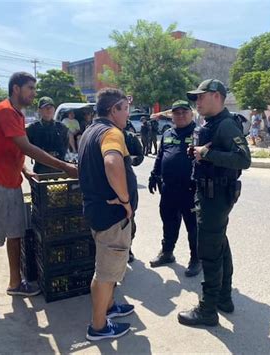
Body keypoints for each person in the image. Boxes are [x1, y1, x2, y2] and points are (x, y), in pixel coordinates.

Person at [0, 72, 78, 309]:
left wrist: (25, 170)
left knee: (15, 234)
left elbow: (15, 149)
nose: (33, 93)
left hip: (11, 181)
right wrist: (64, 166)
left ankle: (15, 283)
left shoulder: (18, 114)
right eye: (30, 88)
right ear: (16, 88)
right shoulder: (5, 110)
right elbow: (25, 146)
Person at [178, 79, 251, 327]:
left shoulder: (227, 125)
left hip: (215, 196)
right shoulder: (211, 124)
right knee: (220, 244)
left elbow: (244, 159)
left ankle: (207, 309)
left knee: (209, 251)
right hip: (210, 194)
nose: (196, 102)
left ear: (217, 96)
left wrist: (207, 153)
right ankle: (223, 297)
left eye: (201, 96)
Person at [78, 88, 137, 341]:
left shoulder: (90, 131)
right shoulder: (112, 133)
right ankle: (98, 326)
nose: (128, 115)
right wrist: (125, 200)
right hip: (112, 215)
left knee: (108, 268)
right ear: (114, 110)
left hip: (96, 210)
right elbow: (112, 163)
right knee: (105, 273)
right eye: (125, 109)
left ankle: (110, 307)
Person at [148, 100, 201, 277]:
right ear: (172, 115)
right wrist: (154, 174)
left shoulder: (199, 133)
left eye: (184, 112)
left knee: (193, 226)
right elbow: (161, 154)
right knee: (168, 221)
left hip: (190, 189)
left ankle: (196, 259)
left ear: (191, 113)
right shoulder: (168, 133)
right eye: (176, 113)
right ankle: (167, 252)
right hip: (169, 188)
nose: (180, 115)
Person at [26, 96, 69, 174]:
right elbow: (27, 148)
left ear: (54, 109)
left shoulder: (62, 128)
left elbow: (65, 147)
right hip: (41, 169)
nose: (48, 109)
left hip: (59, 169)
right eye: (45, 107)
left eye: (50, 107)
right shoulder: (32, 129)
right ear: (39, 110)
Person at [123, 129, 144, 263]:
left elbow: (140, 156)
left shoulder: (130, 137)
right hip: (106, 182)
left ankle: (128, 248)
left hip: (127, 181)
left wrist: (132, 160)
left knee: (129, 216)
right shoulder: (103, 134)